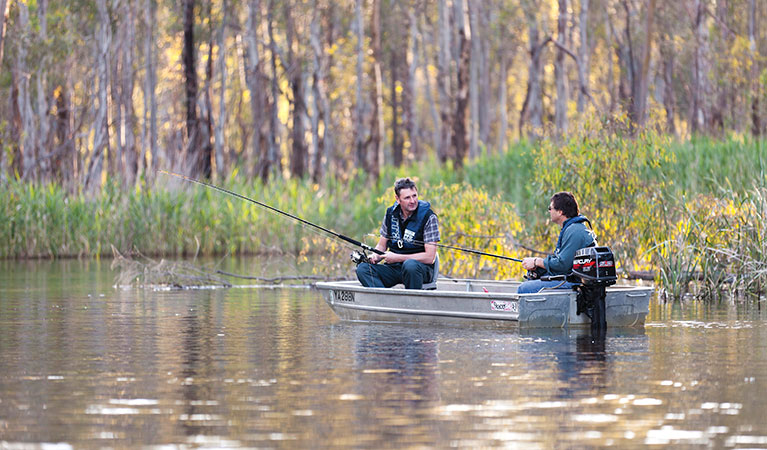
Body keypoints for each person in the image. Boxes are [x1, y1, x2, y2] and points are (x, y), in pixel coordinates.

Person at [356, 177, 440, 289]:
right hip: (394, 268)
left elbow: (430, 257)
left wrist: (398, 257)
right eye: (407, 198)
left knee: (410, 265)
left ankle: (412, 303)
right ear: (397, 199)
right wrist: (375, 256)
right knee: (363, 269)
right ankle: (384, 301)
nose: (412, 201)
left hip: (419, 270)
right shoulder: (390, 214)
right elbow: (382, 245)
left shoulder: (429, 217)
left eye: (414, 196)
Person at [517, 191, 596, 294]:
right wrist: (539, 267)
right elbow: (563, 261)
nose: (549, 211)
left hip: (575, 283)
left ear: (560, 212)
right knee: (535, 279)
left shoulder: (575, 231)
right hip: (573, 279)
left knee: (523, 289)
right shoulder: (573, 228)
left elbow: (563, 265)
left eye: (550, 208)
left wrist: (537, 261)